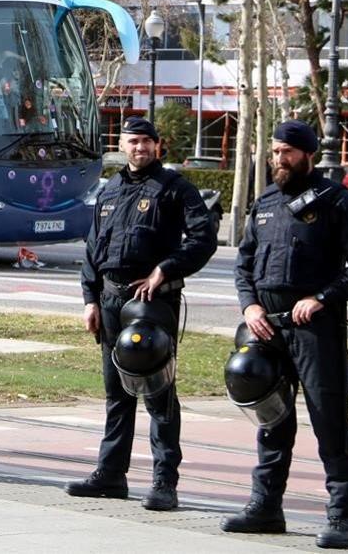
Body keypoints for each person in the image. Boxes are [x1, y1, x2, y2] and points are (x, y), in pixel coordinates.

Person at [227, 120, 348, 549]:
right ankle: (265, 508)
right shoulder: (264, 203)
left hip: (315, 330)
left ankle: (342, 517)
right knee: (271, 420)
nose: (279, 159)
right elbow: (243, 265)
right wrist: (251, 305)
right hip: (267, 327)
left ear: (308, 154)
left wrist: (322, 297)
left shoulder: (336, 202)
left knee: (329, 422)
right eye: (275, 151)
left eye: (287, 152)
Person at [74, 116, 217, 510]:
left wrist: (166, 269)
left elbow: (204, 238)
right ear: (121, 145)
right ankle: (110, 474)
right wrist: (90, 299)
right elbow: (92, 250)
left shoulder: (174, 188)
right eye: (132, 142)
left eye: (146, 142)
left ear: (158, 145)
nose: (139, 149)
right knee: (116, 394)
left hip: (151, 304)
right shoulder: (110, 189)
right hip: (110, 302)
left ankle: (164, 482)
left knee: (158, 395)